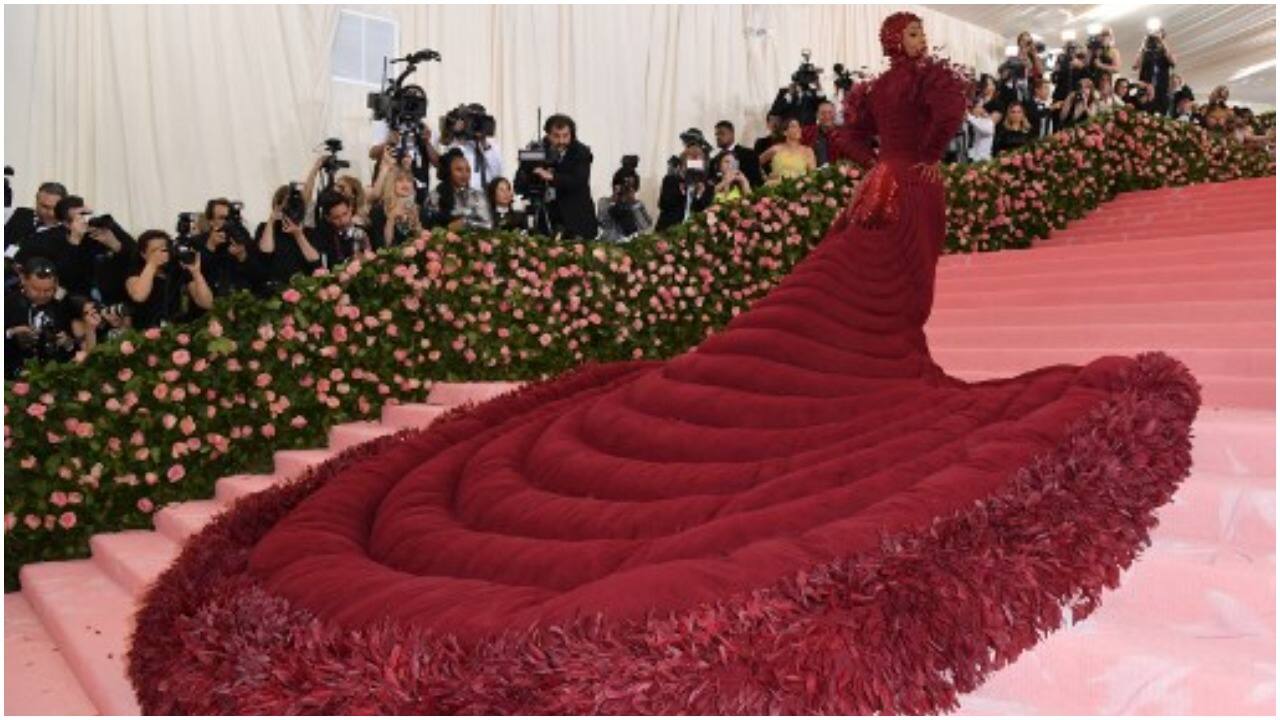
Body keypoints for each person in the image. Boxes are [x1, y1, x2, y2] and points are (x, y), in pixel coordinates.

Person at [168, 16, 1204, 713]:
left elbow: (850, 141)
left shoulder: (869, 99)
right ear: (911, 42)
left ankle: (880, 354)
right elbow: (940, 129)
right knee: (889, 304)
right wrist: (916, 127)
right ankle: (881, 361)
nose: (918, 46)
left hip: (873, 192)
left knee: (874, 294)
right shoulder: (925, 89)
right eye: (914, 36)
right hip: (911, 193)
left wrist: (876, 146)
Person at [513, 114, 598, 239]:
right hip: (544, 217)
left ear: (572, 134)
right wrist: (527, 167)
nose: (561, 141)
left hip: (575, 220)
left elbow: (577, 181)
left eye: (565, 136)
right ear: (548, 135)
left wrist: (551, 176)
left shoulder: (581, 152)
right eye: (556, 136)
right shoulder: (537, 150)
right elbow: (519, 186)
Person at [125, 229, 214, 329]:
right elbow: (139, 296)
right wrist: (152, 264)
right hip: (147, 333)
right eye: (154, 250)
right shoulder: (136, 272)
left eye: (164, 249)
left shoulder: (177, 270)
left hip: (178, 330)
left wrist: (196, 273)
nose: (161, 253)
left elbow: (207, 303)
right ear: (143, 254)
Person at [4, 257, 75, 377]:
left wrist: (68, 344)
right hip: (14, 377)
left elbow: (76, 344)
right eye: (35, 289)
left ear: (56, 283)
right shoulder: (7, 304)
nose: (42, 295)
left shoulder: (63, 304)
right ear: (23, 279)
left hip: (58, 375)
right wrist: (11, 333)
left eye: (48, 290)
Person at [197, 198, 267, 300]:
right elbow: (197, 273)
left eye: (230, 218)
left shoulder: (243, 237)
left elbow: (259, 276)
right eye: (222, 218)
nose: (227, 222)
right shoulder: (199, 241)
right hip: (213, 303)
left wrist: (242, 256)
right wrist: (211, 246)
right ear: (211, 221)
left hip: (242, 302)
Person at [256, 184, 324, 286]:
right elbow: (266, 252)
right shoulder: (266, 227)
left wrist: (298, 235)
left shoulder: (308, 230)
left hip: (304, 287)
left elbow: (316, 261)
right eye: (288, 206)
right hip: (276, 287)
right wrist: (271, 220)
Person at [427, 148, 494, 232]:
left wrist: (465, 223)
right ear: (448, 172)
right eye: (459, 170)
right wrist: (447, 229)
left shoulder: (477, 195)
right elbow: (429, 226)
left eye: (468, 170)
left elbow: (488, 225)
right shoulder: (435, 195)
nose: (464, 174)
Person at [655, 144, 714, 232]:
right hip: (669, 230)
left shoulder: (707, 185)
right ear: (683, 162)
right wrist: (682, 192)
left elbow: (704, 209)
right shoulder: (671, 180)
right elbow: (664, 204)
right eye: (691, 159)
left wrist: (698, 194)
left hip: (694, 233)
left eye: (698, 160)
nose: (694, 164)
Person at [369, 167, 425, 248]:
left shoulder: (418, 209)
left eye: (409, 181)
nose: (405, 184)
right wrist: (391, 219)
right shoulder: (378, 210)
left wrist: (416, 222)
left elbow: (421, 242)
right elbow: (383, 246)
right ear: (391, 183)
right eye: (400, 180)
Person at [596, 164, 653, 243]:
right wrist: (614, 201)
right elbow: (604, 225)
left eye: (631, 186)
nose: (626, 189)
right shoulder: (604, 202)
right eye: (624, 185)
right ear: (615, 185)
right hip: (610, 246)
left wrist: (633, 204)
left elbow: (645, 228)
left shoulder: (637, 205)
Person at [4, 181, 65, 250]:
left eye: (55, 208)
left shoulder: (66, 232)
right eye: (45, 207)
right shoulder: (19, 214)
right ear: (36, 201)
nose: (51, 213)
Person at [1132, 28, 1177, 116]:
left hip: (1161, 89)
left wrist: (1162, 41)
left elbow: (1173, 62)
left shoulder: (1166, 53)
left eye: (1158, 32)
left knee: (1160, 114)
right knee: (1144, 114)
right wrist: (1143, 44)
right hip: (1146, 89)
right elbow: (1135, 66)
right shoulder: (1145, 52)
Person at [759, 117, 817, 183]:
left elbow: (813, 174)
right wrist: (765, 177)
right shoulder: (776, 149)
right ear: (785, 132)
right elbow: (756, 162)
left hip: (799, 189)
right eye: (793, 126)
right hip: (776, 188)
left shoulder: (808, 151)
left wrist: (805, 181)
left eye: (799, 126)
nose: (798, 129)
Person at [709, 121, 763, 187]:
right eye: (716, 134)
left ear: (732, 134)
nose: (718, 137)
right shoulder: (714, 160)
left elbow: (756, 180)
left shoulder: (748, 154)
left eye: (722, 133)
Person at [802, 101, 846, 167]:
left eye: (830, 112)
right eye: (823, 113)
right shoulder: (808, 132)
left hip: (839, 174)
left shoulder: (844, 134)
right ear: (817, 115)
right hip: (813, 174)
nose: (827, 116)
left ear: (835, 114)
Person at [964, 98, 996, 162]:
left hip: (982, 159)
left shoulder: (987, 121)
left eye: (979, 107)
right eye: (975, 107)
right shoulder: (967, 122)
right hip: (966, 156)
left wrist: (969, 117)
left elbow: (987, 130)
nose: (977, 109)